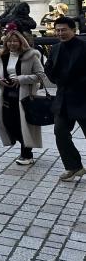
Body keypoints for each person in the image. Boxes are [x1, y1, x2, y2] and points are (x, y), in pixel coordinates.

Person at [0, 30, 46, 166]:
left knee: (24, 125)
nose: (12, 44)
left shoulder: (31, 56)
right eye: (9, 41)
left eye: (15, 41)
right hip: (7, 96)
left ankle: (27, 154)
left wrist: (21, 79)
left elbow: (41, 75)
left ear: (21, 42)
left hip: (25, 96)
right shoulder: (2, 55)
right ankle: (24, 147)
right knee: (8, 123)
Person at [45, 17, 86, 181]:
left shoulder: (84, 47)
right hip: (63, 99)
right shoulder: (55, 48)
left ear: (73, 30)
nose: (60, 33)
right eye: (58, 30)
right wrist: (57, 81)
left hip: (83, 98)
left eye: (63, 30)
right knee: (60, 132)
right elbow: (48, 67)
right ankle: (74, 166)